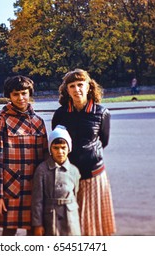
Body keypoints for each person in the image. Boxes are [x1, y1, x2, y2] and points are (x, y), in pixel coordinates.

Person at [51, 69, 116, 236]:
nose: (76, 89)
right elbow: (57, 144)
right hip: (68, 175)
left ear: (89, 87)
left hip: (93, 175)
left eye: (80, 84)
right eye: (72, 86)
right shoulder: (61, 114)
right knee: (69, 219)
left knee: (92, 220)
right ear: (67, 90)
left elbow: (104, 141)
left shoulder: (101, 113)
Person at [0, 75, 48, 236]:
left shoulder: (38, 121)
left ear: (30, 93)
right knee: (9, 230)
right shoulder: (2, 120)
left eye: (24, 93)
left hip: (35, 188)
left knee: (34, 229)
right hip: (11, 187)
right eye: (15, 94)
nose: (20, 98)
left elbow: (45, 159)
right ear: (9, 96)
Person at [32, 125, 81, 236]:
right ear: (50, 149)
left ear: (69, 149)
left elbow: (76, 195)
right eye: (56, 148)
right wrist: (38, 224)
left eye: (63, 147)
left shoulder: (74, 171)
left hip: (70, 217)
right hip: (50, 217)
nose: (60, 152)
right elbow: (37, 201)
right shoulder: (42, 170)